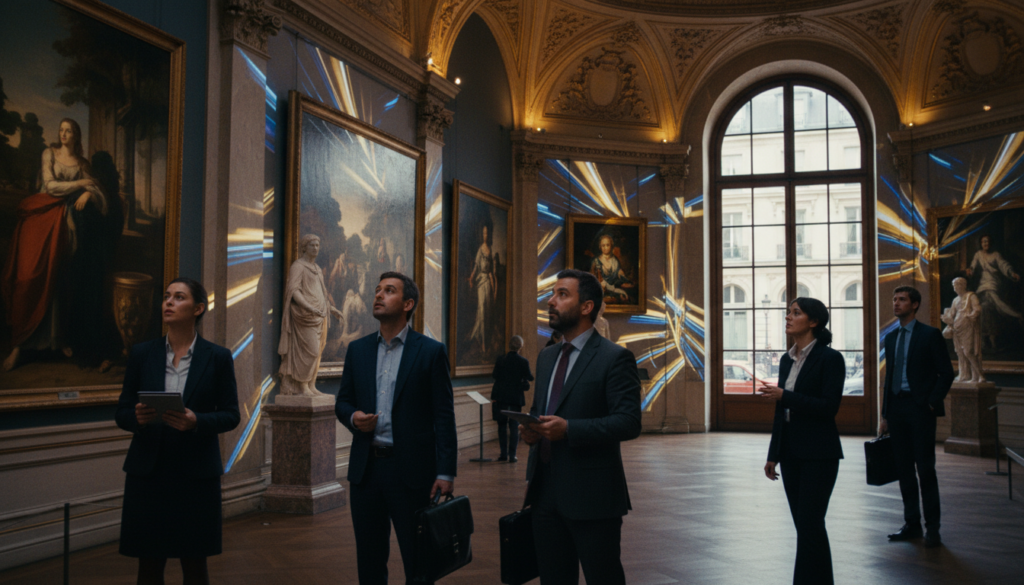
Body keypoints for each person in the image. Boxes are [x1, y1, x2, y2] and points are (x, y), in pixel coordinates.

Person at [519, 269, 641, 585]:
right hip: (544, 492)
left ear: (586, 307)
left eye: (562, 294)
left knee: (603, 578)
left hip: (593, 496)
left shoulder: (615, 358)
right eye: (553, 293)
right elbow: (539, 411)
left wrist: (570, 429)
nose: (551, 300)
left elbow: (628, 422)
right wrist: (531, 431)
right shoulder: (546, 358)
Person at [114, 278, 240, 585]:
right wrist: (137, 417)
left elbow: (231, 415)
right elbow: (121, 411)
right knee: (149, 566)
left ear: (197, 309)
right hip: (149, 472)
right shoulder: (143, 353)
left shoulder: (217, 357)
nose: (168, 302)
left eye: (178, 297)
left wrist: (197, 421)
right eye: (167, 296)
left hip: (195, 474)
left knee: (195, 566)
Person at [335, 272, 458, 585]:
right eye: (377, 290)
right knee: (370, 561)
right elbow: (343, 401)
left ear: (408, 304)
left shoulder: (430, 351)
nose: (378, 295)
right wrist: (353, 418)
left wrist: (446, 472)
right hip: (366, 471)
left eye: (388, 291)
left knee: (418, 561)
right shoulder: (358, 350)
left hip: (412, 473)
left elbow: (443, 415)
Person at [3, 118, 109, 372]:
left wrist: (89, 192)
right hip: (40, 221)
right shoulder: (48, 153)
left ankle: (57, 339)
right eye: (61, 129)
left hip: (64, 225)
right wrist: (81, 184)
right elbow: (49, 185)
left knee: (58, 277)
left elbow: (102, 198)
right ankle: (20, 344)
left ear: (76, 136)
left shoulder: (82, 165)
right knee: (30, 277)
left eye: (68, 130)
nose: (63, 133)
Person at [760, 297, 846, 585]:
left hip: (819, 453)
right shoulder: (787, 359)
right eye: (788, 312)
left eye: (795, 313)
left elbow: (828, 407)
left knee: (810, 523)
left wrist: (785, 396)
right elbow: (780, 411)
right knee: (804, 526)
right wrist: (774, 454)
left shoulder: (830, 359)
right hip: (792, 452)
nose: (788, 317)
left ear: (813, 322)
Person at [880, 285, 954, 548]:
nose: (896, 303)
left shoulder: (930, 335)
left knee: (925, 469)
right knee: (903, 470)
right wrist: (885, 414)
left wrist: (932, 402)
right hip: (897, 409)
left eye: (902, 300)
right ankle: (911, 524)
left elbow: (946, 373)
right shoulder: (890, 337)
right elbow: (888, 380)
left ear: (915, 305)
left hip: (920, 408)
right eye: (894, 299)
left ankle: (932, 527)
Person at [278, 234, 343, 396]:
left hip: (320, 316)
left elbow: (322, 292)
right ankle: (301, 386)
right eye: (312, 245)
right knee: (310, 351)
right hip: (304, 317)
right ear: (304, 247)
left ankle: (311, 385)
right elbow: (294, 292)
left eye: (317, 245)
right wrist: (309, 308)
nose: (315, 248)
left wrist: (332, 309)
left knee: (318, 352)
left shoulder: (317, 269)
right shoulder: (298, 266)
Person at [966, 234, 1023, 349]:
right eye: (983, 242)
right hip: (982, 285)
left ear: (990, 243)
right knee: (984, 307)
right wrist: (970, 270)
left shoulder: (996, 255)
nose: (985, 244)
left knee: (994, 299)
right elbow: (973, 265)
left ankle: (1015, 315)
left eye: (987, 242)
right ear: (981, 244)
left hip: (993, 283)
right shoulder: (978, 254)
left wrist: (1011, 273)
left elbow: (1004, 265)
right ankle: (983, 338)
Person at [491, 335, 534, 462]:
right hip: (515, 397)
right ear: (520, 347)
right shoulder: (523, 361)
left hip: (501, 396)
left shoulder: (500, 359)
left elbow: (494, 375)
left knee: (502, 426)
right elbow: (530, 377)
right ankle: (512, 455)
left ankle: (503, 454)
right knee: (514, 426)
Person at [941, 277, 985, 383]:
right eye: (954, 286)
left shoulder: (971, 296)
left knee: (968, 351)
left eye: (957, 285)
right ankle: (965, 375)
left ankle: (979, 376)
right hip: (957, 327)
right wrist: (945, 318)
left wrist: (971, 316)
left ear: (963, 285)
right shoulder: (955, 300)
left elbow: (977, 309)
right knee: (960, 352)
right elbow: (951, 314)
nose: (955, 288)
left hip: (968, 326)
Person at [467, 224, 497, 355]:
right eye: (484, 233)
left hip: (488, 284)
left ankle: (486, 340)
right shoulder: (480, 249)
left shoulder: (490, 249)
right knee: (482, 311)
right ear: (482, 234)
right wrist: (471, 278)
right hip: (481, 283)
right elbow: (476, 267)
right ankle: (482, 342)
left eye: (487, 233)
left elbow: (492, 273)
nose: (486, 235)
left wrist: (494, 289)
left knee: (488, 313)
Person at [589, 234, 631, 302]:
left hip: (615, 291)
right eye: (603, 245)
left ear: (611, 246)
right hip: (601, 291)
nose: (605, 247)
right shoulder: (596, 261)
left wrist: (621, 276)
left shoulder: (615, 261)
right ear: (600, 247)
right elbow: (592, 278)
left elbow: (619, 277)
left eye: (607, 245)